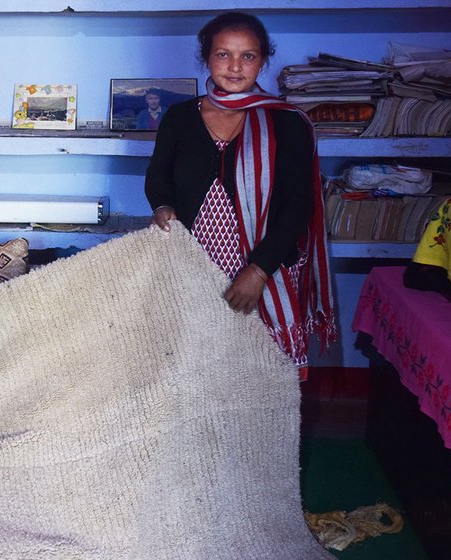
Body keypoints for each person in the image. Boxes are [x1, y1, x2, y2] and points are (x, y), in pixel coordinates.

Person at [144, 11, 336, 379]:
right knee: (196, 372)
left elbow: (299, 204)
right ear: (206, 57)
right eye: (223, 54)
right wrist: (163, 205)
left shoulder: (287, 122)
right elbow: (158, 176)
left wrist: (258, 271)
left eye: (247, 56)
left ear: (263, 60)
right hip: (192, 267)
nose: (234, 67)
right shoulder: (180, 117)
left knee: (261, 379)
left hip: (266, 266)